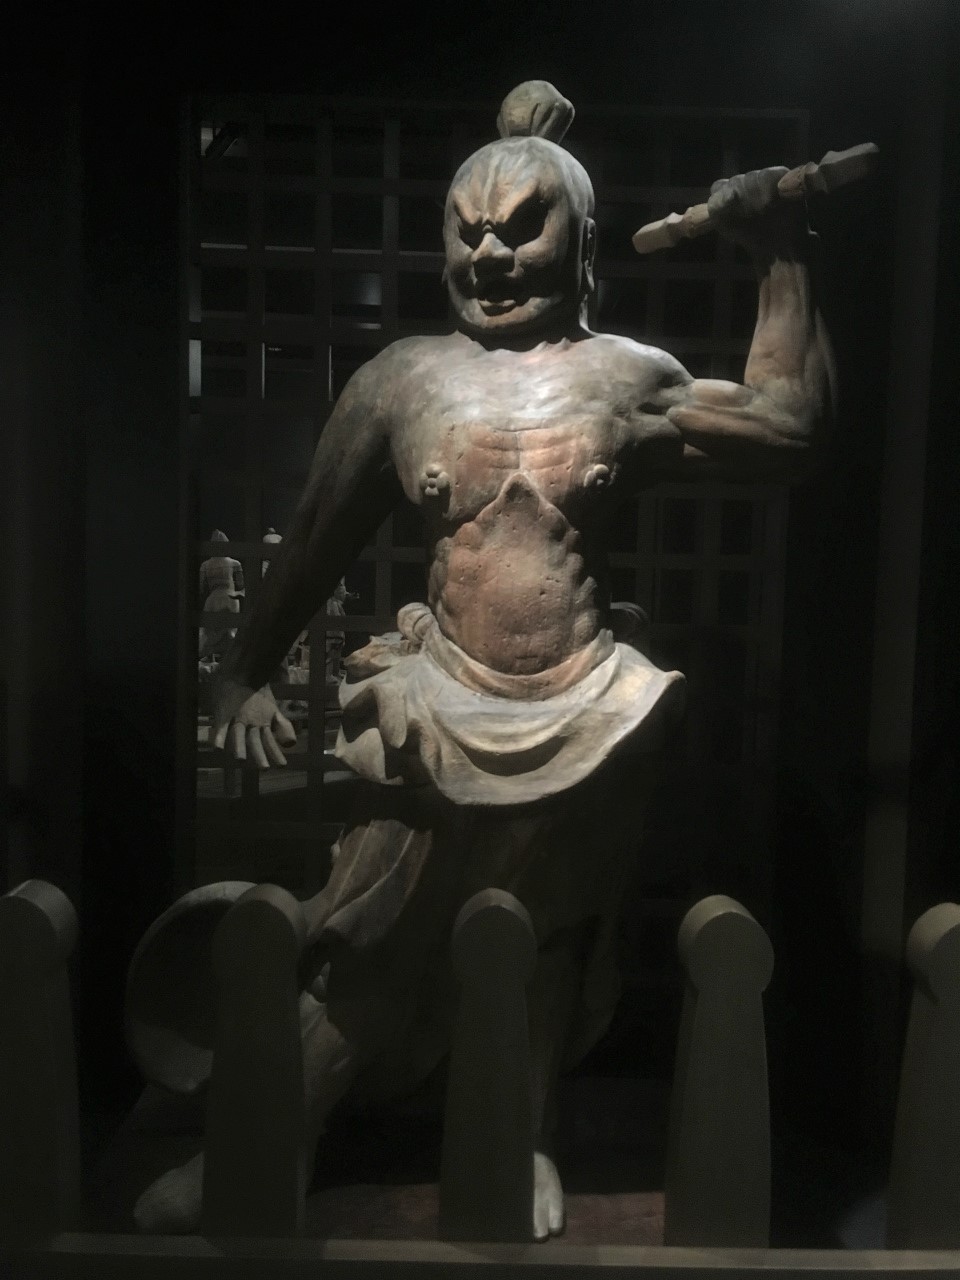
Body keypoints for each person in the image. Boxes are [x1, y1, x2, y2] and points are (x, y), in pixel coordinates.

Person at [134, 81, 835, 1237]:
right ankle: (268, 1138)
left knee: (543, 935)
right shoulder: (403, 381)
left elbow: (786, 429)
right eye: (467, 231)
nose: (491, 254)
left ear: (582, 242)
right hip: (436, 699)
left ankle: (521, 1133)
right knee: (364, 938)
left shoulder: (626, 377)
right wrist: (242, 669)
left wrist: (780, 255)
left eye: (520, 228)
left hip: (588, 701)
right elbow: (314, 538)